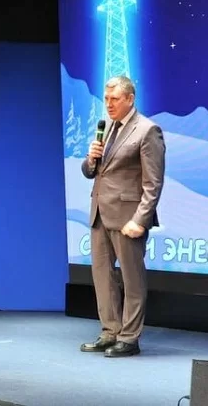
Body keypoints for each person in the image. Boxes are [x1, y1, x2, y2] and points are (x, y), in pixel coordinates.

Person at [79, 76, 166, 358]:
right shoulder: (107, 128)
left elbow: (153, 183)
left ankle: (129, 338)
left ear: (130, 99)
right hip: (100, 213)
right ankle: (110, 331)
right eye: (106, 99)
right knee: (102, 276)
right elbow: (91, 172)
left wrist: (140, 220)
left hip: (128, 218)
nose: (109, 104)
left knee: (132, 279)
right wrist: (91, 158)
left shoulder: (147, 130)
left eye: (114, 99)